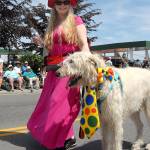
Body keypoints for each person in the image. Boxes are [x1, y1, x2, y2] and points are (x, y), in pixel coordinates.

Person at [27, 0, 90, 149]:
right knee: (50, 104)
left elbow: (83, 44)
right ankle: (68, 137)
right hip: (54, 69)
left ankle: (57, 141)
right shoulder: (52, 23)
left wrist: (85, 65)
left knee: (59, 103)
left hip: (69, 67)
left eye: (66, 1)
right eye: (59, 2)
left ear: (70, 4)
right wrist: (41, 43)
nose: (62, 4)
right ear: (54, 5)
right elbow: (51, 47)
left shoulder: (76, 20)